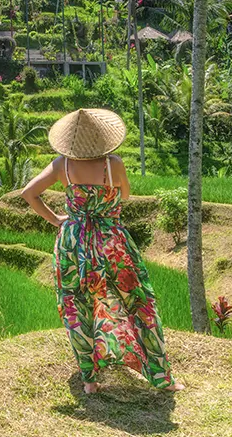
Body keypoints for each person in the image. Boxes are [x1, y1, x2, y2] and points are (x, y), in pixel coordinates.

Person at [20, 108, 183, 394]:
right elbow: (126, 194)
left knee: (77, 305)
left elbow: (28, 193)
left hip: (73, 243)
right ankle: (160, 376)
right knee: (137, 302)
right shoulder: (113, 164)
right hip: (110, 241)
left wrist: (56, 219)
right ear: (103, 139)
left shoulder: (62, 165)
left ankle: (89, 380)